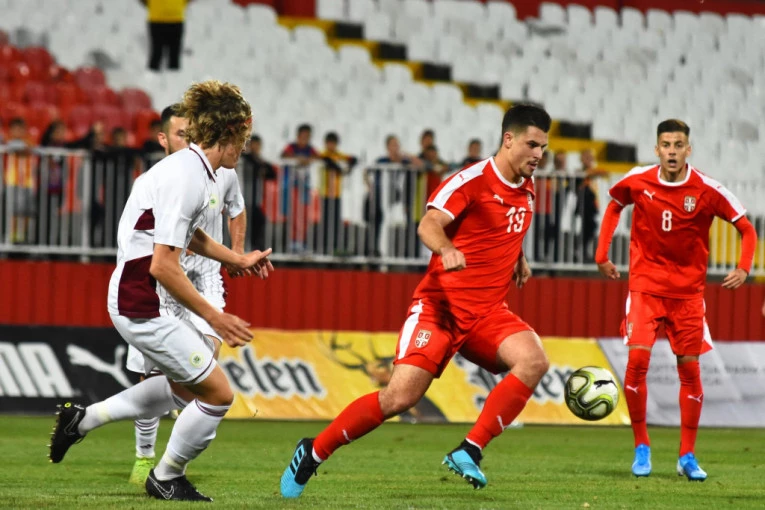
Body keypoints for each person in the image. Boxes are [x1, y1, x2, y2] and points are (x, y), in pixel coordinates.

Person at [280, 104, 552, 498]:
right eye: (532, 145)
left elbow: (500, 228)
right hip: (440, 309)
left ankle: (470, 450)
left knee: (534, 360)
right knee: (399, 398)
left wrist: (519, 258)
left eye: (543, 147)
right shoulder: (470, 180)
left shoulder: (526, 186)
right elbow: (428, 224)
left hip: (488, 313)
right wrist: (446, 249)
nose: (538, 154)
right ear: (508, 139)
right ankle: (314, 451)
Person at [48, 80, 272, 502]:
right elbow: (163, 265)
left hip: (143, 295)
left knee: (185, 389)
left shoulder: (198, 171)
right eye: (243, 139)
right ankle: (166, 476)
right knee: (218, 395)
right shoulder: (185, 177)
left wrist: (236, 259)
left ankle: (83, 420)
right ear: (228, 133)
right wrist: (215, 316)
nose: (245, 149)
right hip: (142, 301)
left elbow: (190, 236)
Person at [595, 119, 757, 481]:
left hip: (687, 295)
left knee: (689, 371)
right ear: (657, 149)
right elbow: (614, 204)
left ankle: (687, 455)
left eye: (678, 145)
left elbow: (746, 228)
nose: (671, 151)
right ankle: (642, 446)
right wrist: (601, 254)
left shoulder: (707, 189)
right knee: (637, 360)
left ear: (688, 149)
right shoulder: (638, 180)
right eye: (666, 145)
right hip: (646, 288)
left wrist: (744, 267)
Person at [123, 102, 248, 487]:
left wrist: (236, 254)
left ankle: (170, 462)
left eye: (191, 132)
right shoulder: (155, 180)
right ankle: (145, 457)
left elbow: (236, 210)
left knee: (203, 365)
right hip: (161, 282)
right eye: (181, 134)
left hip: (205, 279)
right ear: (163, 139)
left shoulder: (223, 173)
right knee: (150, 374)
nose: (189, 139)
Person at [319, 131, 356, 255]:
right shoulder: (323, 155)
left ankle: (334, 247)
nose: (331, 146)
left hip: (336, 194)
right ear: (326, 144)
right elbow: (328, 161)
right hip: (325, 193)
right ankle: (324, 248)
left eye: (333, 143)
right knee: (325, 221)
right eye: (329, 143)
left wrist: (347, 168)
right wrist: (341, 169)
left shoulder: (338, 155)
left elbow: (353, 159)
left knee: (335, 222)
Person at [241, 134, 277, 250]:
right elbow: (256, 166)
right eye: (254, 144)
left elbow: (272, 173)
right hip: (244, 198)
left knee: (257, 222)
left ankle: (254, 248)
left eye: (258, 145)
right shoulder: (244, 158)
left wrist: (261, 166)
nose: (256, 147)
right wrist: (260, 167)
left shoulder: (258, 160)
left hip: (254, 199)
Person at [143, 0, 188, 71]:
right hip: (167, 17)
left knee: (168, 53)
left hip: (164, 17)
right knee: (160, 52)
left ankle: (170, 74)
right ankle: (153, 74)